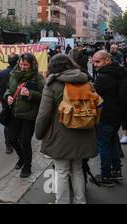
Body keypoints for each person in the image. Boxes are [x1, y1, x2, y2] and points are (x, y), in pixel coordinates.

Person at [35, 55, 97, 204]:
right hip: (84, 132)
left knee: (61, 171)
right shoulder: (85, 81)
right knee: (77, 169)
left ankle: (62, 201)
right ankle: (80, 201)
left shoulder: (53, 85)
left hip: (61, 134)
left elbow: (44, 114)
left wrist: (39, 133)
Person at [5, 53, 45, 178]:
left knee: (25, 141)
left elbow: (44, 96)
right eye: (21, 64)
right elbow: (8, 89)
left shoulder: (38, 77)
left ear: (32, 65)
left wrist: (30, 93)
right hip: (15, 112)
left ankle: (27, 166)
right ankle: (21, 158)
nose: (22, 67)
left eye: (26, 65)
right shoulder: (14, 74)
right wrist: (8, 96)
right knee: (11, 138)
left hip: (29, 115)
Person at [92, 50, 125, 186]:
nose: (95, 65)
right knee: (113, 142)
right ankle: (116, 171)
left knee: (104, 145)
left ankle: (105, 176)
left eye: (97, 62)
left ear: (107, 60)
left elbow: (94, 94)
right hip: (119, 115)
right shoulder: (121, 72)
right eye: (93, 62)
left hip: (106, 115)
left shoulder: (104, 76)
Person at [0, 53, 19, 154]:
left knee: (7, 121)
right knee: (16, 121)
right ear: (17, 62)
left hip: (5, 101)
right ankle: (15, 142)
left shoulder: (1, 73)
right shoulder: (20, 73)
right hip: (18, 101)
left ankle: (9, 144)